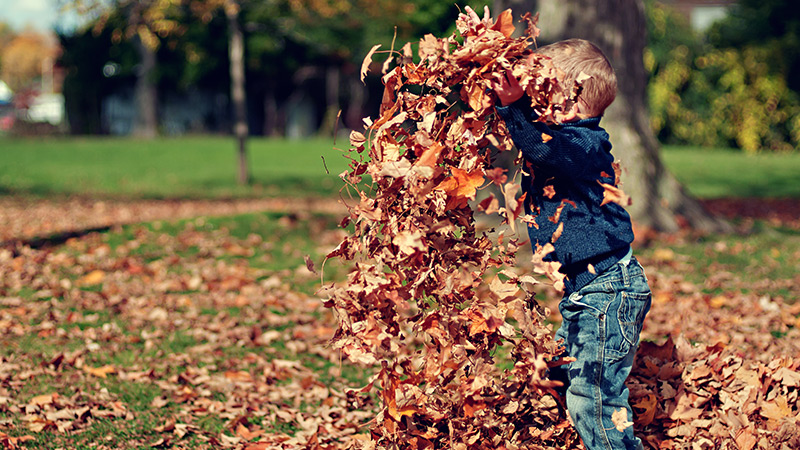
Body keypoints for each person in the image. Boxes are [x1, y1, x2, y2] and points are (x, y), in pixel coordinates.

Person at [461, 7, 653, 449]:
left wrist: (514, 108)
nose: (533, 104)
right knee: (563, 373)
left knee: (595, 400)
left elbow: (542, 149)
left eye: (541, 94)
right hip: (586, 292)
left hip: (609, 291)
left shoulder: (586, 144)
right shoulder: (563, 139)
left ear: (568, 99)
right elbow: (532, 140)